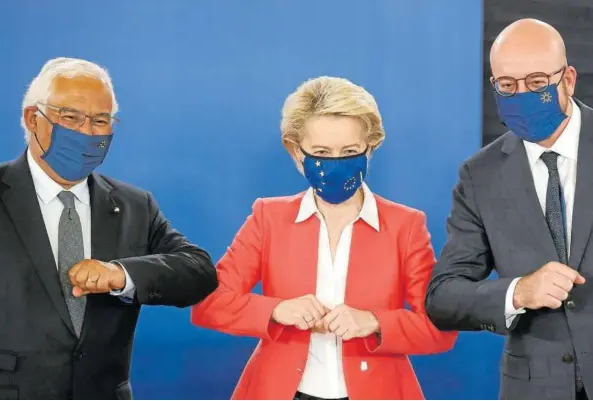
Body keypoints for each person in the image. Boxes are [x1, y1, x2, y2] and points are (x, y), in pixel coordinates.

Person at [425, 18, 593, 400]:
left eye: (536, 83)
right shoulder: (480, 175)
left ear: (568, 79)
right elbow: (442, 298)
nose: (522, 95)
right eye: (507, 86)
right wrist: (518, 292)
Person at [192, 76, 457, 400]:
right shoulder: (268, 218)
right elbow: (208, 304)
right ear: (295, 151)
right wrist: (277, 310)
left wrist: (374, 322)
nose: (335, 163)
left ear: (370, 147)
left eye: (349, 151)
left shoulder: (406, 226)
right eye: (320, 152)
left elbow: (439, 329)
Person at [0, 57, 217, 399]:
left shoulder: (134, 205)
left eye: (100, 121)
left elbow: (198, 271)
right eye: (71, 118)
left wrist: (121, 274)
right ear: (34, 118)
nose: (86, 132)